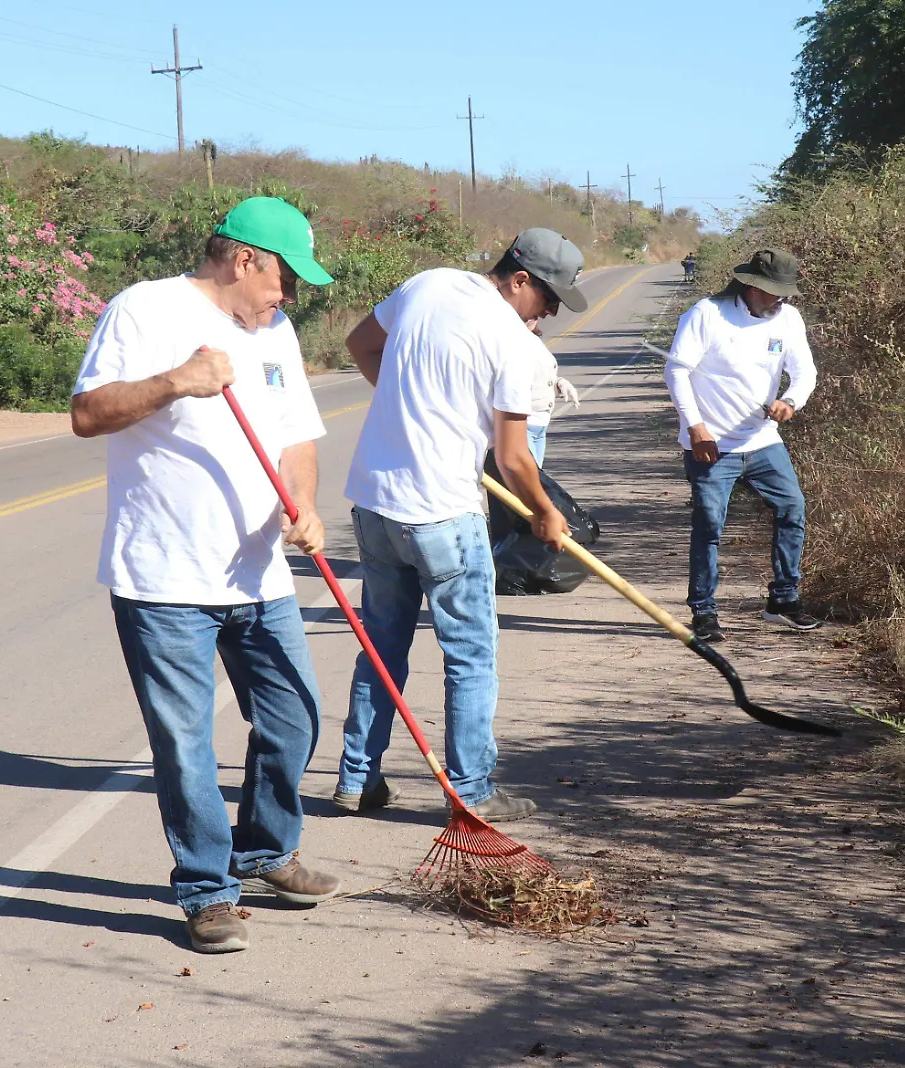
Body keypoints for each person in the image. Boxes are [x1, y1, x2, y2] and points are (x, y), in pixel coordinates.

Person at [70, 196, 342, 955]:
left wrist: (307, 506)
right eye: (283, 279)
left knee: (294, 717)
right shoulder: (145, 310)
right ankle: (207, 890)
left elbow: (298, 437)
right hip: (163, 578)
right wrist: (174, 382)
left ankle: (263, 853)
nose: (287, 298)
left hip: (258, 574)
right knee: (186, 741)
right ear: (244, 259)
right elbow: (88, 413)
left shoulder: (275, 333)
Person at [332, 228, 584, 823]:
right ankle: (471, 791)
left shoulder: (429, 284)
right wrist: (546, 515)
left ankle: (356, 780)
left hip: (374, 505)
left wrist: (413, 405)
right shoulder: (514, 345)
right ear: (519, 279)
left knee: (380, 646)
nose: (548, 312)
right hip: (444, 512)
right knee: (469, 655)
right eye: (548, 298)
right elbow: (515, 458)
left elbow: (361, 345)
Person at [663, 247, 819, 643]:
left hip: (764, 442)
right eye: (771, 290)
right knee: (710, 524)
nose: (778, 298)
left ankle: (783, 601)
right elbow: (678, 370)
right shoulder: (707, 314)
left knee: (792, 507)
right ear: (749, 284)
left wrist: (790, 402)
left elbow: (805, 373)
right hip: (712, 446)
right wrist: (695, 427)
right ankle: (704, 611)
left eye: (784, 291)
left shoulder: (788, 318)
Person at [524, 322, 579, 464]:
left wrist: (559, 383)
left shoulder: (533, 340)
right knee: (528, 481)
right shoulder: (511, 343)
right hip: (523, 426)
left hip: (540, 426)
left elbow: (540, 375)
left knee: (537, 477)